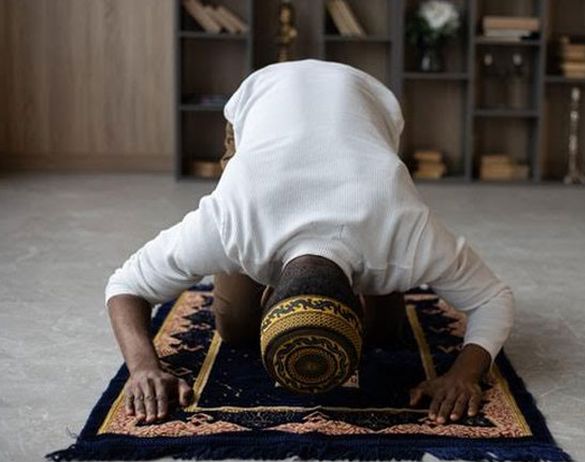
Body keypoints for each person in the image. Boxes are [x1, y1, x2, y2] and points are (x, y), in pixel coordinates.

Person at [106, 59, 514, 428]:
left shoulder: (405, 230)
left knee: (386, 332)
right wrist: (142, 367)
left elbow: (494, 297)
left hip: (366, 103)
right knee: (234, 326)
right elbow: (124, 286)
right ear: (263, 289)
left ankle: (375, 310)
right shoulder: (229, 221)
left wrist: (464, 374)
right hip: (260, 96)